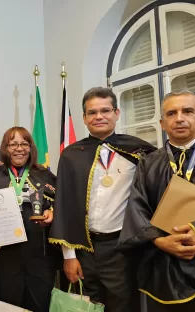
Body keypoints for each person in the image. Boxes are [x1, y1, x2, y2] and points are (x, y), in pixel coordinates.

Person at [117, 90, 195, 312]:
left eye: (188, 111)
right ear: (163, 123)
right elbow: (137, 209)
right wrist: (158, 241)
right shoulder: (148, 163)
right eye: (171, 113)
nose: (180, 118)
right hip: (165, 268)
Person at [49, 87, 157, 311]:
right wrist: (69, 256)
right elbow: (64, 207)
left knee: (125, 306)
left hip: (123, 248)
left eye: (105, 110)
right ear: (84, 118)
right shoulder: (71, 154)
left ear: (117, 113)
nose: (99, 116)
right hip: (85, 250)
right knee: (90, 306)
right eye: (92, 112)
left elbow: (169, 178)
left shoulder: (140, 151)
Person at [0, 127, 56, 311]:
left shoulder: (45, 175)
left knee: (39, 306)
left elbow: (63, 207)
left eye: (24, 144)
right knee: (7, 307)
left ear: (31, 148)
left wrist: (53, 212)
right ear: (5, 148)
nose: (19, 148)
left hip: (39, 257)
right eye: (13, 144)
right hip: (5, 259)